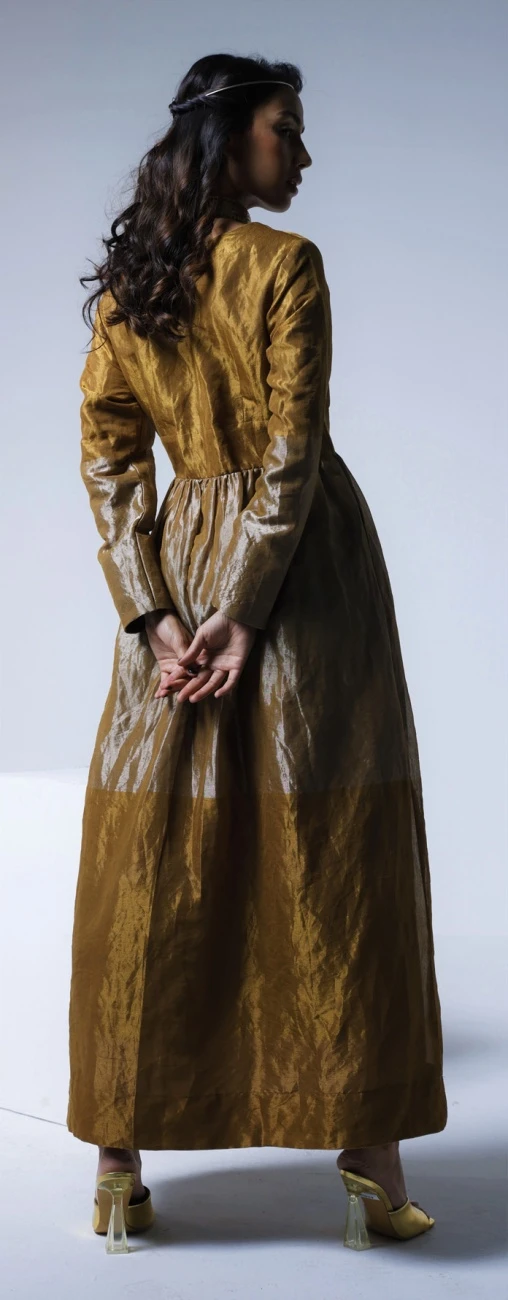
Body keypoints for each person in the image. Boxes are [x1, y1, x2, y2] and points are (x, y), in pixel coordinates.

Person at [66, 53, 447, 1252]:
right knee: (331, 845)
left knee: (146, 845)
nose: (304, 152)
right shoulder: (286, 264)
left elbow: (109, 456)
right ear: (232, 138)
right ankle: (370, 1167)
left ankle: (118, 1170)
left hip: (180, 561)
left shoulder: (132, 285)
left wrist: (155, 610)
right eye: (289, 128)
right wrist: (245, 605)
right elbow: (293, 448)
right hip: (304, 575)